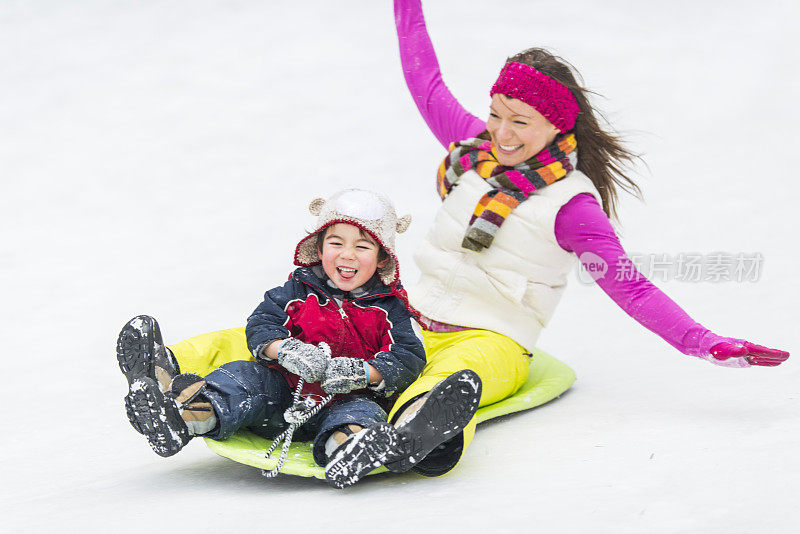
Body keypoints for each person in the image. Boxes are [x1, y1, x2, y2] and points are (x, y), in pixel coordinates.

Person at [326, 0, 790, 482]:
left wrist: (705, 342)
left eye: (520, 122)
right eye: (496, 114)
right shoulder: (474, 150)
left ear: (556, 126)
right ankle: (349, 430)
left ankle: (413, 435)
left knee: (452, 381)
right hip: (408, 321)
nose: (502, 133)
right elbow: (426, 83)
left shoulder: (572, 208)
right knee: (340, 352)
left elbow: (632, 289)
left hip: (492, 340)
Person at [117, 188, 481, 489]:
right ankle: (183, 420)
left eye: (363, 246)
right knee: (241, 378)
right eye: (336, 242)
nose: (347, 255)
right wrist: (284, 349)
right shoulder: (296, 291)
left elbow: (407, 357)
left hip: (345, 401)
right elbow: (261, 324)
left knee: (360, 413)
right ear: (319, 249)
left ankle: (350, 449)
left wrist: (363, 373)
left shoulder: (392, 309)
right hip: (281, 393)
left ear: (383, 258)